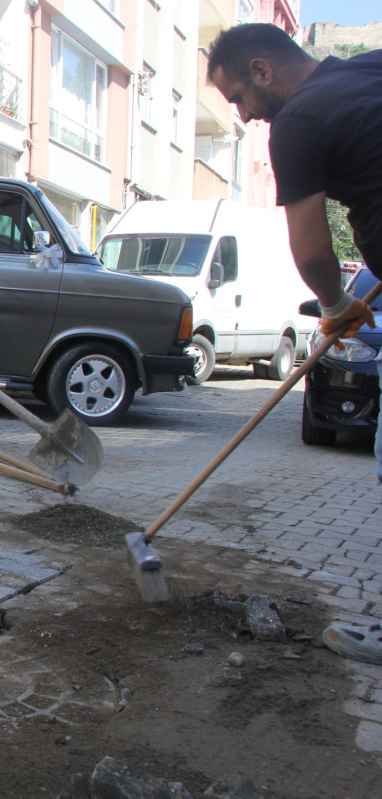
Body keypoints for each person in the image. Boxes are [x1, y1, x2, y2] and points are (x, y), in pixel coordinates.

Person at [207, 24, 381, 665]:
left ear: (262, 69)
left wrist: (334, 309)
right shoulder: (370, 71)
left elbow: (311, 249)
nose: (244, 116)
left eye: (237, 99)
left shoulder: (299, 120)